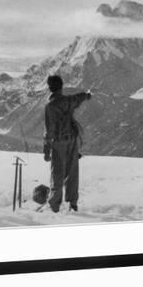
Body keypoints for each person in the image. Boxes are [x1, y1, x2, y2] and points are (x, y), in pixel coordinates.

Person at [43, 75, 91, 213]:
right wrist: (87, 95)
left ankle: (54, 206)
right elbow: (79, 97)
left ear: (50, 88)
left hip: (58, 143)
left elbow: (49, 130)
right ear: (61, 86)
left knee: (57, 174)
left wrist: (46, 150)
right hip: (72, 141)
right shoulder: (69, 101)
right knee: (72, 172)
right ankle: (73, 204)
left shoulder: (50, 106)